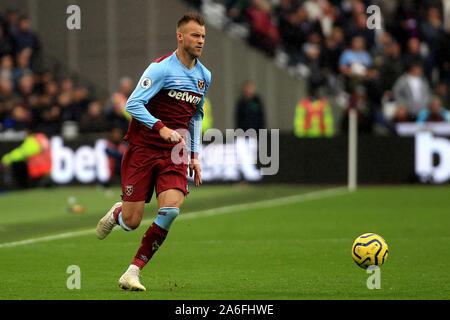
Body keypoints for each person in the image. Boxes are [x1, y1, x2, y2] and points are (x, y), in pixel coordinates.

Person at [95, 13, 211, 291]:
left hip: (175, 153)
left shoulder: (204, 76)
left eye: (203, 36)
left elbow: (196, 116)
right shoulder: (160, 69)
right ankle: (118, 214)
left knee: (170, 211)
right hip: (144, 149)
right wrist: (159, 128)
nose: (200, 41)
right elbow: (133, 104)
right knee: (132, 222)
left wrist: (194, 156)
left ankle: (132, 271)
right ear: (180, 36)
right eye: (195, 35)